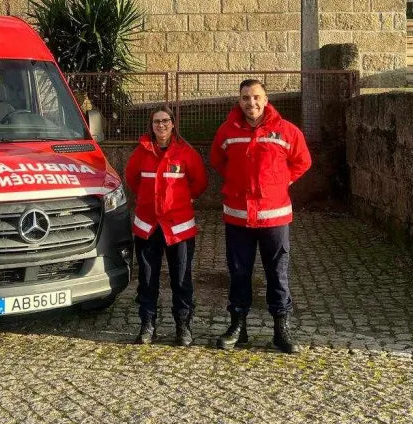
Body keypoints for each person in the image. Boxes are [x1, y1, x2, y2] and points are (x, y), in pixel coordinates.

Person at [210, 79, 311, 353]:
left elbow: (303, 161)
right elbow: (218, 160)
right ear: (239, 100)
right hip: (238, 216)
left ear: (266, 100)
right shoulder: (227, 131)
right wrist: (235, 181)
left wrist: (281, 182)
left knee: (277, 273)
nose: (250, 103)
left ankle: (281, 329)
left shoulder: (286, 131)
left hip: (274, 217)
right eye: (245, 98)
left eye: (256, 97)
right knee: (239, 272)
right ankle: (238, 327)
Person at [124, 106, 208, 346]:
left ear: (173, 124)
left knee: (181, 278)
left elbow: (200, 182)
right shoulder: (141, 153)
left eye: (165, 121)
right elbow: (132, 179)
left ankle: (183, 325)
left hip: (178, 226)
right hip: (148, 225)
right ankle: (147, 324)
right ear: (151, 126)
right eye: (156, 122)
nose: (160, 125)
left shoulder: (185, 153)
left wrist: (182, 201)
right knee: (147, 278)